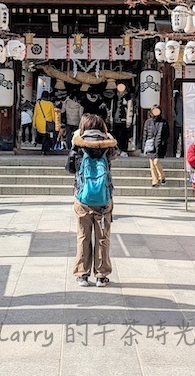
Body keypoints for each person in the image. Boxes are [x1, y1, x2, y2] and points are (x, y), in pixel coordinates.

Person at [66, 113, 118, 287]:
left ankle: (82, 274)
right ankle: (101, 276)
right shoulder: (108, 145)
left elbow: (70, 168)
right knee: (103, 237)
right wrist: (108, 136)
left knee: (83, 236)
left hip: (82, 197)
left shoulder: (78, 143)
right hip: (104, 198)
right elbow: (115, 154)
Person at [142, 105, 169, 187]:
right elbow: (145, 134)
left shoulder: (163, 122)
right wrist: (144, 146)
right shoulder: (148, 122)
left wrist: (163, 142)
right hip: (150, 145)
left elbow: (166, 134)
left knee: (156, 162)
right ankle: (155, 181)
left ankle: (162, 176)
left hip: (159, 145)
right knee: (152, 164)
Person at [173, 89, 184, 158]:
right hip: (176, 122)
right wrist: (174, 118)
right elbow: (173, 109)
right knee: (175, 138)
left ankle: (183, 153)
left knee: (184, 139)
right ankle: (174, 152)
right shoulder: (176, 99)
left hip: (185, 122)